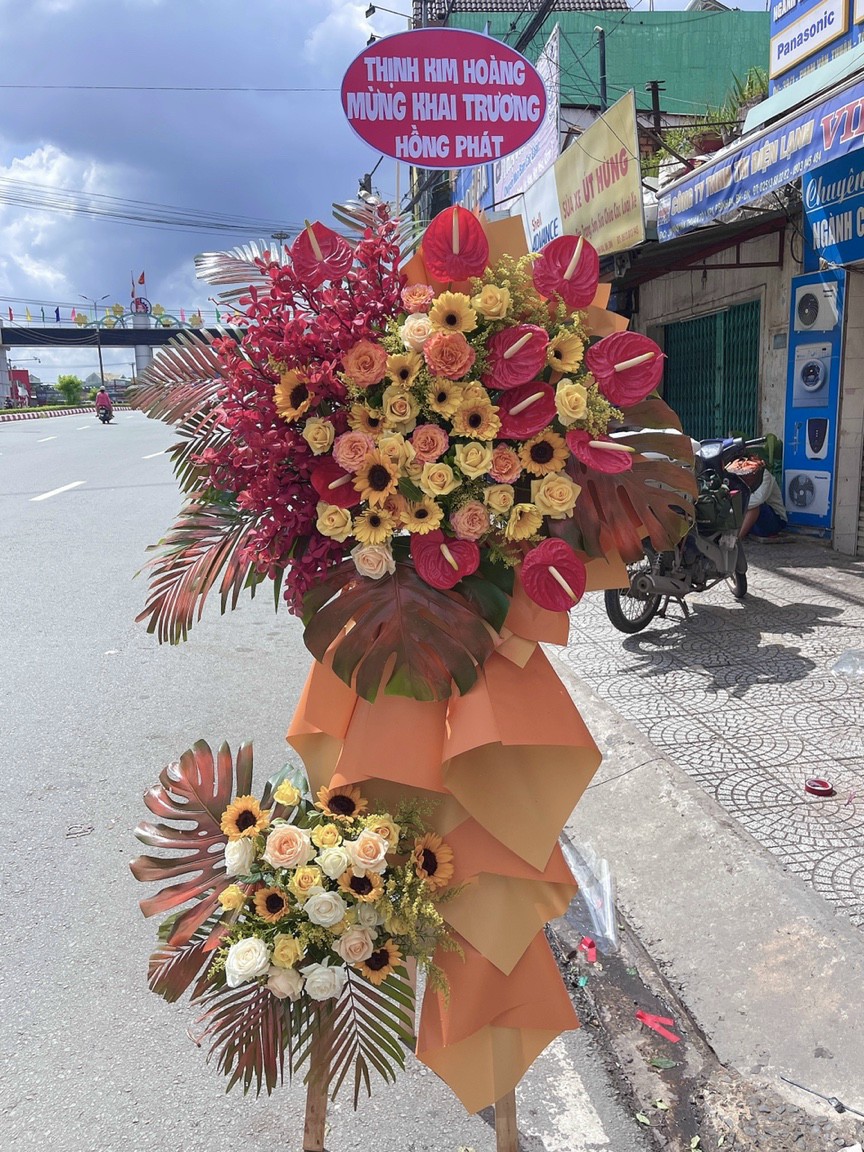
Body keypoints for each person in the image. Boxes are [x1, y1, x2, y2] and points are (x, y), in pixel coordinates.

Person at [739, 469, 788, 540]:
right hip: (752, 523)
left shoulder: (764, 475)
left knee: (755, 506)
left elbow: (759, 499)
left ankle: (738, 538)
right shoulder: (737, 474)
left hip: (775, 521)